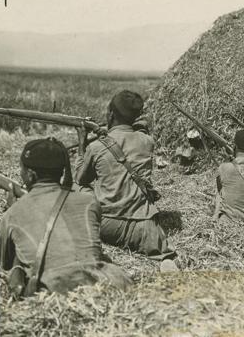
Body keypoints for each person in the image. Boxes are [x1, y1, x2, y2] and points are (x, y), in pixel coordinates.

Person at [0, 138, 132, 298]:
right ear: (62, 171)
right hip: (99, 285)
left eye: (22, 169)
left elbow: (4, 264)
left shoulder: (13, 214)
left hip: (54, 294)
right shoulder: (89, 202)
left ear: (31, 174)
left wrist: (11, 209)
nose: (21, 174)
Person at [75, 90, 175, 260]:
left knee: (76, 187)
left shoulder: (97, 146)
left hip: (107, 225)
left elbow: (81, 179)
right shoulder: (147, 142)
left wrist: (82, 143)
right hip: (144, 226)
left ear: (111, 114)